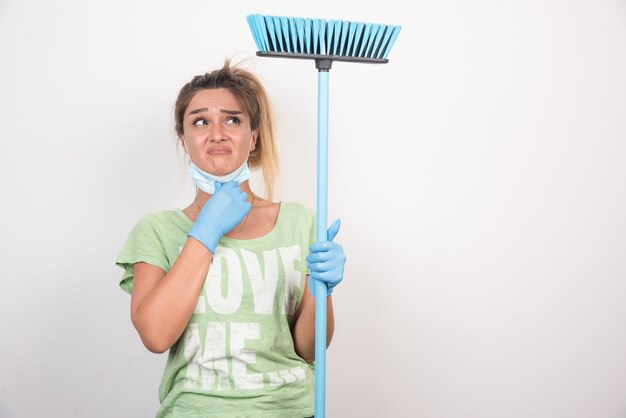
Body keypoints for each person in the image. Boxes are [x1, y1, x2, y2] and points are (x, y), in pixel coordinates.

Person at [115, 59, 346, 418]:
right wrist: (204, 232)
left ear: (252, 137)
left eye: (233, 119)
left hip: (289, 409)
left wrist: (321, 291)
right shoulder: (156, 231)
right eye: (200, 121)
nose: (217, 133)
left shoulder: (301, 223)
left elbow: (309, 349)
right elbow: (156, 336)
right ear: (183, 139)